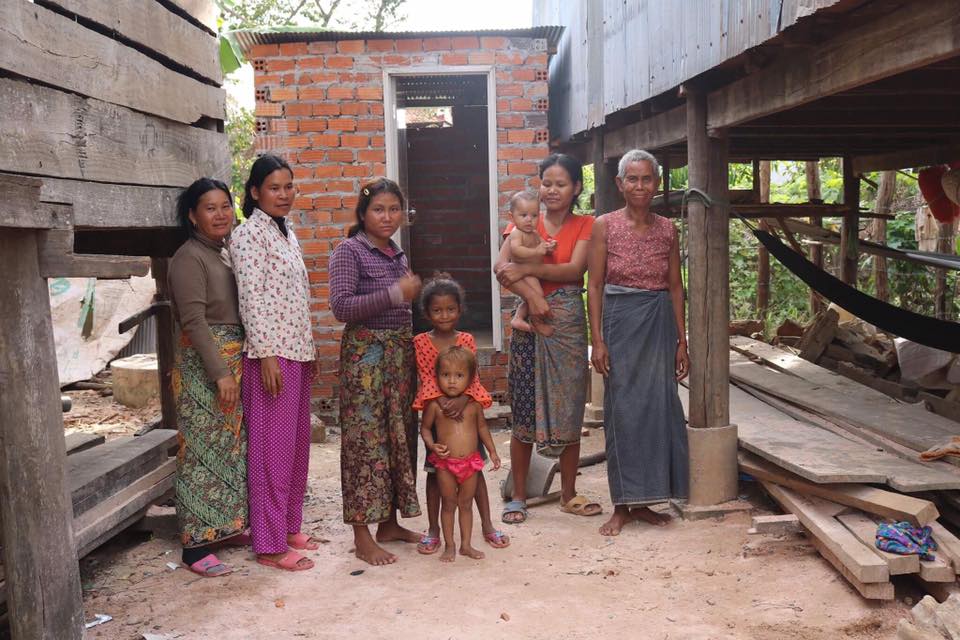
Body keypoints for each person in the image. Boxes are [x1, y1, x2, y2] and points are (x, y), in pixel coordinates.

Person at [495, 153, 602, 524]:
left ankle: (569, 494)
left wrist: (527, 267)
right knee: (524, 407)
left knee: (571, 405)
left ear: (576, 188)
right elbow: (502, 268)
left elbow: (575, 268)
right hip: (532, 316)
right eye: (546, 183)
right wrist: (535, 294)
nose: (552, 190)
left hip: (568, 322)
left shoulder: (587, 224)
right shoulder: (526, 219)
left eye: (560, 184)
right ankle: (519, 496)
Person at [587, 149, 689, 536]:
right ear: (619, 184)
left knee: (658, 408)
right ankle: (621, 504)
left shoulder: (667, 229)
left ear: (657, 183)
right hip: (619, 320)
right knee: (622, 410)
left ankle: (646, 501)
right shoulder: (605, 226)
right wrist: (597, 340)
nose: (640, 186)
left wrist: (682, 341)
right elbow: (593, 285)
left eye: (647, 179)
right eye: (633, 179)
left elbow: (676, 286)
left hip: (658, 321)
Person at [230, 154, 320, 572]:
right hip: (271, 356)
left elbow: (295, 299)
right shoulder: (248, 235)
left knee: (297, 446)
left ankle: (287, 526)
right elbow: (251, 298)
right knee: (272, 452)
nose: (284, 195)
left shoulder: (287, 232)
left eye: (289, 186)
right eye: (274, 188)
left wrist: (310, 350)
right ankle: (268, 544)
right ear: (254, 193)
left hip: (296, 351)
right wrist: (266, 354)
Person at [329, 178, 424, 566]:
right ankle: (362, 535)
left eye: (394, 209)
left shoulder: (397, 254)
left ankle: (389, 523)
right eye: (378, 210)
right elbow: (341, 307)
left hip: (398, 358)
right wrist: (394, 295)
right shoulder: (349, 252)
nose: (387, 217)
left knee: (398, 436)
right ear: (363, 214)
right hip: (365, 360)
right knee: (365, 442)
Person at [169, 178, 248, 577]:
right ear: (193, 216)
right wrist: (220, 374)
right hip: (207, 366)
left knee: (229, 448)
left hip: (232, 360)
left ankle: (225, 527)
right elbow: (195, 321)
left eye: (224, 206)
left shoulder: (225, 252)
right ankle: (195, 546)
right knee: (201, 452)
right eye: (210, 208)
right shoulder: (188, 258)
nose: (220, 215)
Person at [411, 274, 509, 555]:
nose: (444, 315)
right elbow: (426, 377)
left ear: (459, 310)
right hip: (438, 415)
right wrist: (442, 401)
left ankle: (487, 525)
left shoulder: (465, 339)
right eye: (437, 310)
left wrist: (464, 398)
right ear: (427, 312)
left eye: (450, 309)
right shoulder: (420, 342)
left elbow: (472, 375)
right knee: (434, 474)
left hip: (466, 414)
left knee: (474, 474)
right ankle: (433, 529)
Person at [420, 347, 502, 562]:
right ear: (437, 377)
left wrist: (492, 451)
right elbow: (425, 429)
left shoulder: (474, 406)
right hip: (445, 463)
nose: (452, 381)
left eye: (459, 375)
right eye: (446, 375)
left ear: (470, 378)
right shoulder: (435, 406)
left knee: (466, 504)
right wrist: (432, 446)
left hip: (470, 463)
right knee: (448, 504)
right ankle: (450, 545)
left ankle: (466, 545)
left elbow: (483, 429)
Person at [506, 191, 557, 336]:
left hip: (531, 272)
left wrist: (549, 247)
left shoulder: (534, 233)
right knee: (537, 294)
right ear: (512, 217)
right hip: (522, 273)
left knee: (532, 297)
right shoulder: (516, 233)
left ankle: (518, 317)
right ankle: (536, 322)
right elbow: (516, 251)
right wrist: (536, 252)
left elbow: (543, 246)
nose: (529, 220)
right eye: (523, 215)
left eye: (534, 216)